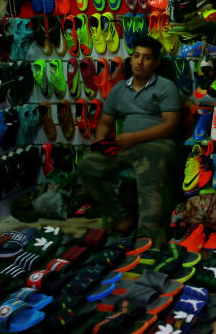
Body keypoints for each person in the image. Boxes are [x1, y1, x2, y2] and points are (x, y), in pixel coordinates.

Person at [78, 36, 182, 243]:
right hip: (125, 145)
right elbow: (105, 122)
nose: (139, 62)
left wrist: (133, 138)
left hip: (157, 145)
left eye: (146, 58)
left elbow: (170, 124)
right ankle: (121, 217)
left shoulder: (165, 87)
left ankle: (146, 237)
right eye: (136, 56)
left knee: (148, 178)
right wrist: (100, 143)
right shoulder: (119, 89)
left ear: (156, 63)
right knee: (87, 166)